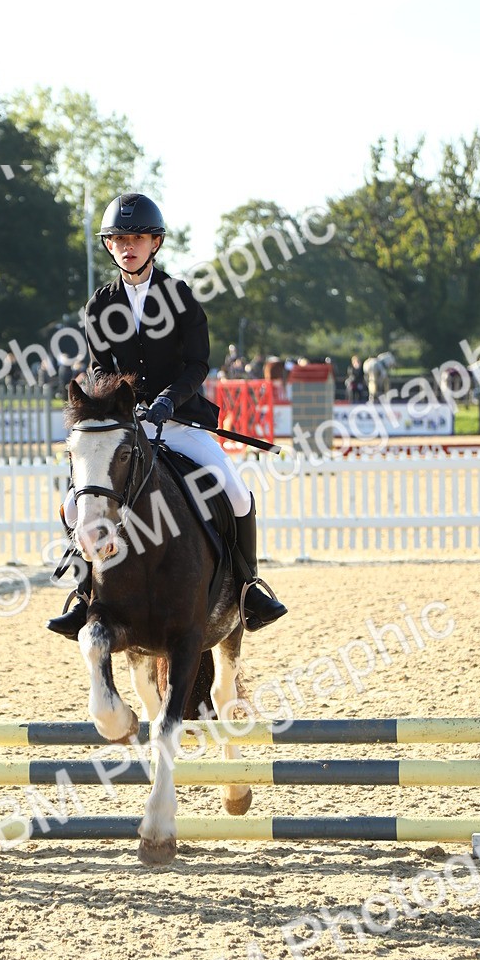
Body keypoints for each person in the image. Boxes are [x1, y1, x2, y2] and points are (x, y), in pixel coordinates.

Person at [47, 191, 287, 638]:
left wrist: (167, 401)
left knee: (236, 494)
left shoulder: (179, 297)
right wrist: (121, 402)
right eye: (118, 238)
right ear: (109, 245)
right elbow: (101, 369)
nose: (127, 246)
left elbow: (197, 365)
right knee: (73, 507)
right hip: (126, 429)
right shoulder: (99, 306)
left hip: (178, 423)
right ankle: (84, 596)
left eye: (137, 237)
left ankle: (248, 589)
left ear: (155, 243)